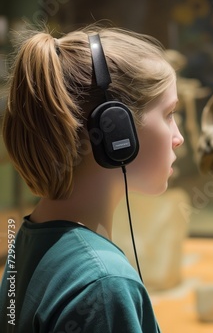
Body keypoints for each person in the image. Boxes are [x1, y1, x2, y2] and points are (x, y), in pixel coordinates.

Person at [0, 24, 184, 332]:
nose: (177, 137)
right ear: (115, 128)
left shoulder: (32, 238)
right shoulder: (103, 286)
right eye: (168, 114)